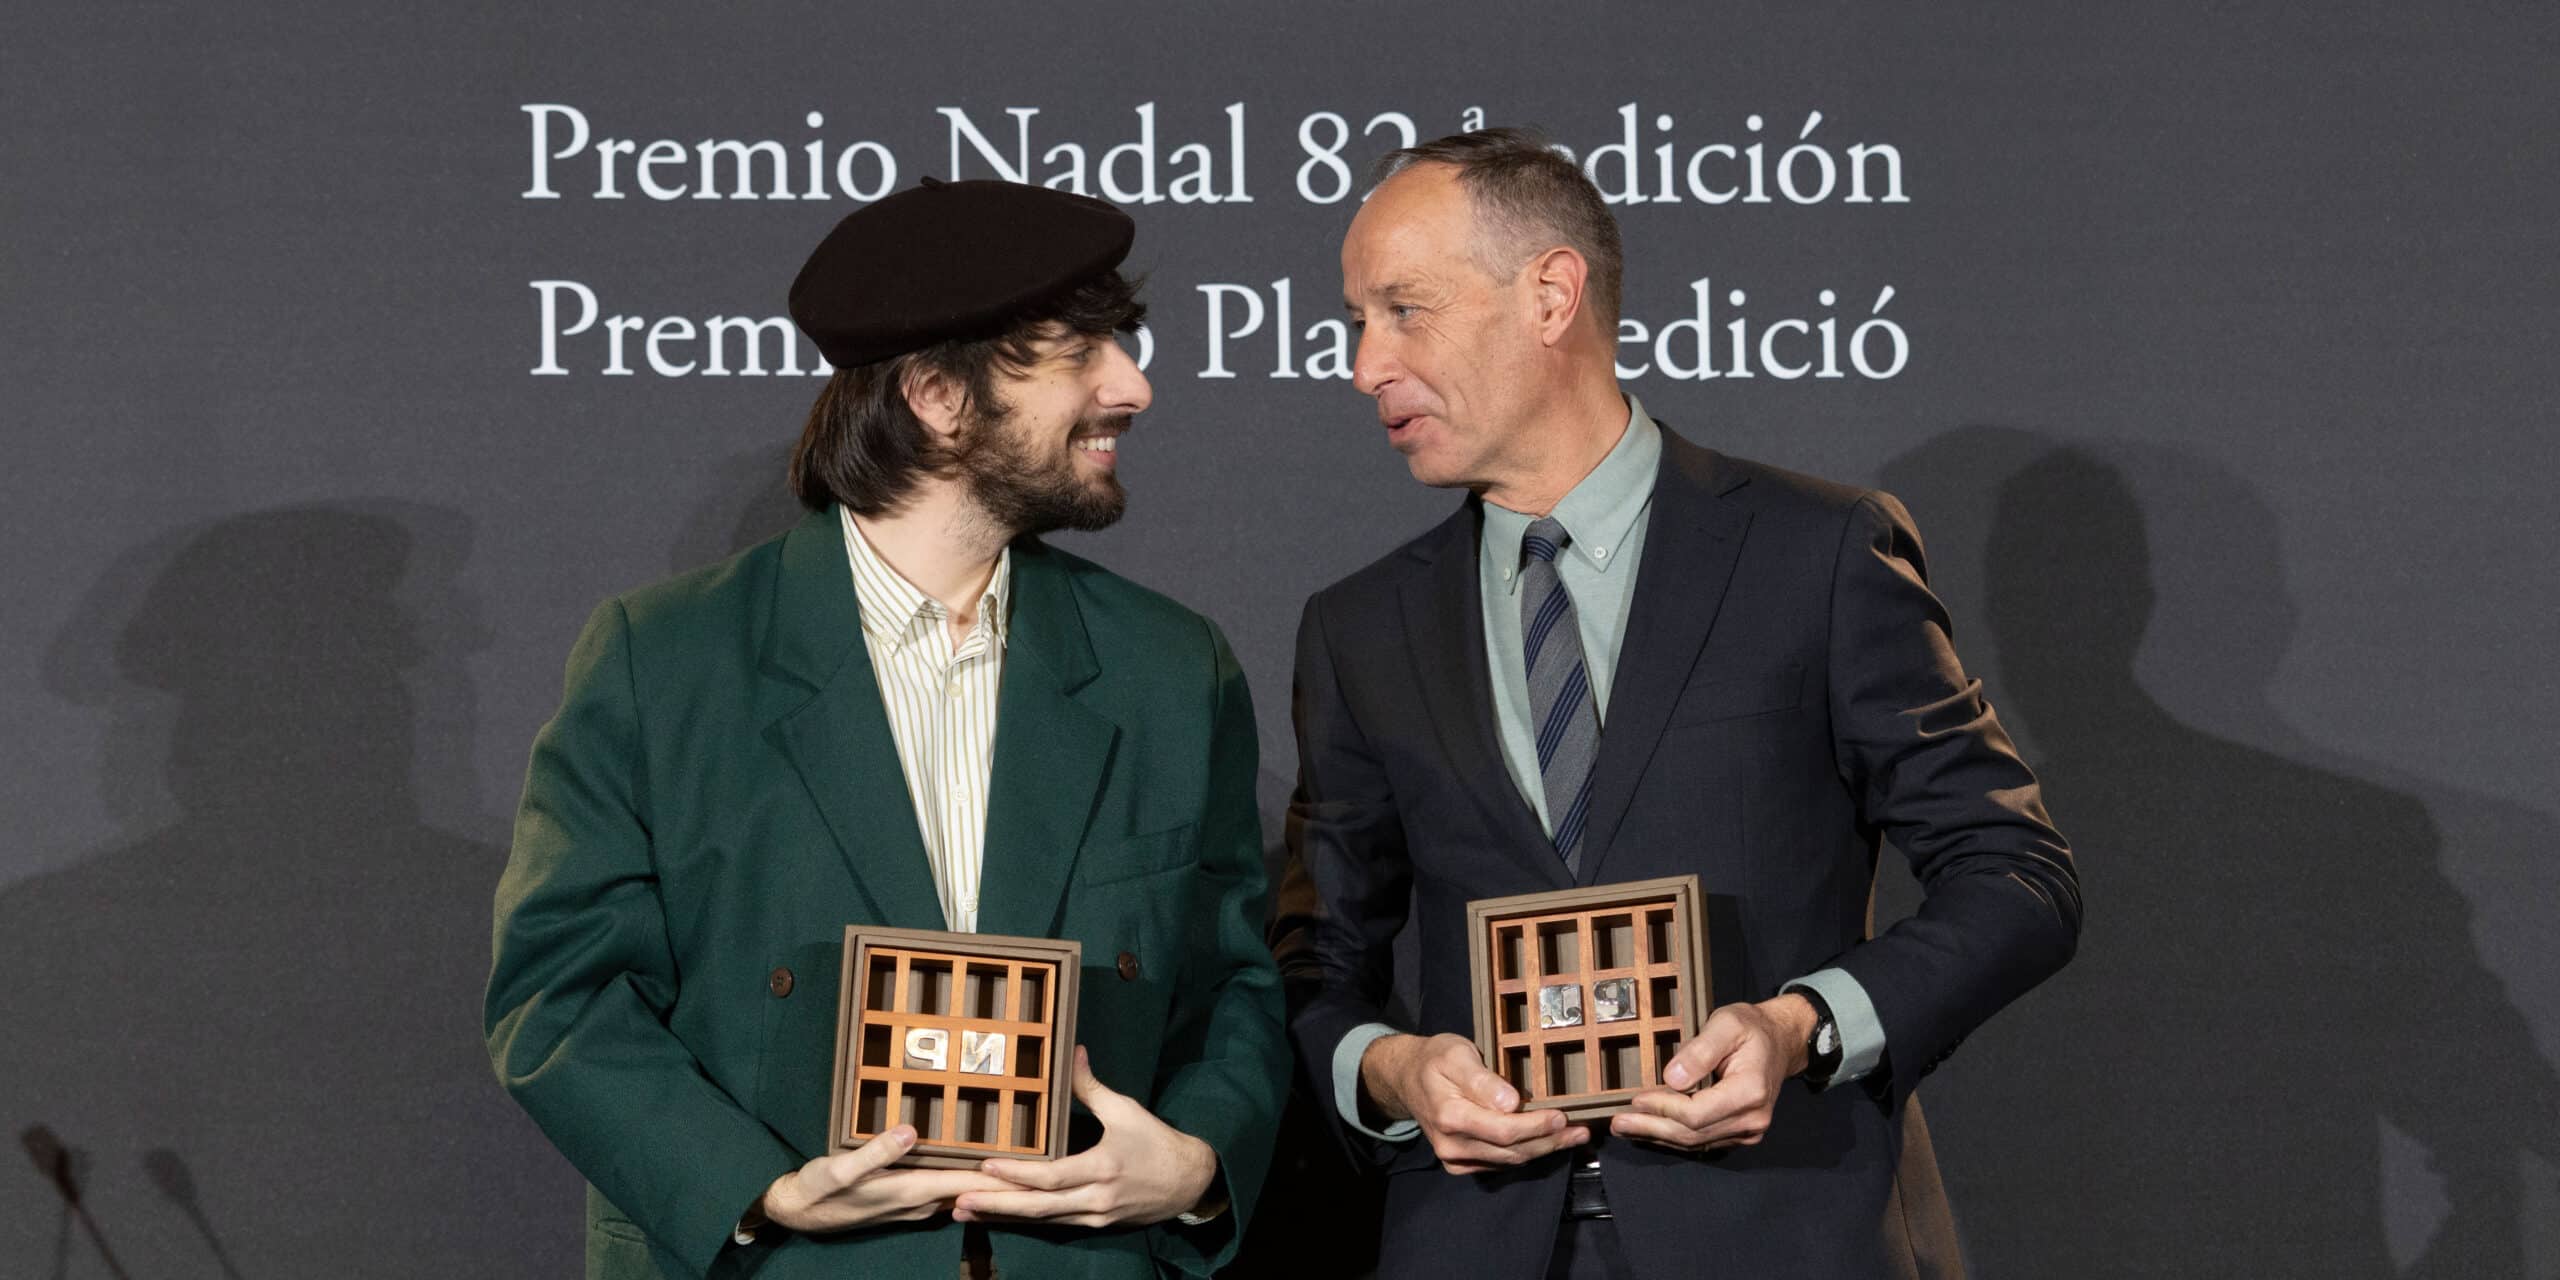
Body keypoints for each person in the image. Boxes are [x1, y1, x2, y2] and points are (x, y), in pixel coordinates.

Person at [1273, 129, 2081, 1278]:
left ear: (1550, 294)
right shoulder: (1360, 627)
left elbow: (2016, 874)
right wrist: (1387, 1068)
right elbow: (1314, 957)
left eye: (1402, 309)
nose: (1364, 364)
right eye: (1357, 321)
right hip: (1478, 1240)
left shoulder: (1816, 551)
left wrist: (1798, 1026)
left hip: (1788, 1230)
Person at [486, 179, 1287, 1280]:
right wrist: (758, 1187)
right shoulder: (664, 659)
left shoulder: (1168, 666)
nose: (1133, 385)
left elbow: (1234, 982)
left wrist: (1196, 1162)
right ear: (937, 395)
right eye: (1079, 352)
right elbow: (558, 993)